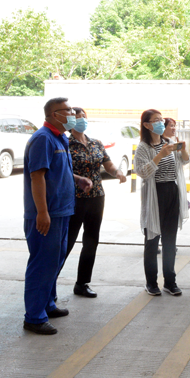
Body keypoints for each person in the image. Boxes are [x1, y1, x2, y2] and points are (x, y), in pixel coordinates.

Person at [23, 98, 92, 335]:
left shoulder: (60, 137)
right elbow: (37, 176)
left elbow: (57, 170)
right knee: (42, 264)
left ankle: (47, 304)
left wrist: (77, 179)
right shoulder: (43, 138)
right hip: (47, 214)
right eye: (69, 110)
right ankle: (34, 317)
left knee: (54, 261)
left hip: (62, 211)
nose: (73, 114)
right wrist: (42, 212)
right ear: (55, 114)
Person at [62, 108, 126, 298]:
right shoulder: (65, 143)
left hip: (97, 196)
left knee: (91, 241)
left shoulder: (95, 143)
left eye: (84, 117)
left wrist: (117, 172)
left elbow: (108, 163)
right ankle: (49, 283)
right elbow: (61, 170)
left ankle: (82, 283)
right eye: (77, 117)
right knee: (67, 241)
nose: (81, 120)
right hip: (75, 198)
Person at [134, 109, 190, 296]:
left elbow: (184, 162)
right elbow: (142, 172)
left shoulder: (169, 143)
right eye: (156, 120)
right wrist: (160, 155)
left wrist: (183, 150)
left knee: (170, 240)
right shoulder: (144, 147)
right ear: (147, 125)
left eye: (161, 119)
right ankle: (151, 283)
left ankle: (170, 281)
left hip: (171, 191)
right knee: (152, 240)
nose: (160, 123)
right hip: (155, 194)